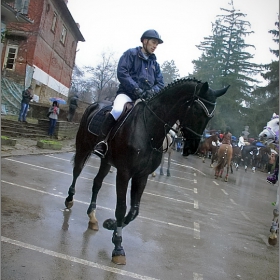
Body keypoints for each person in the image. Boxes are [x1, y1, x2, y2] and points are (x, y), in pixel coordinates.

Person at [93, 29, 165, 158]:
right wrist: (136, 88)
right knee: (117, 110)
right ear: (144, 41)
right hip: (127, 94)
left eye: (156, 44)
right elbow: (122, 72)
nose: (155, 46)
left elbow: (160, 84)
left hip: (146, 98)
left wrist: (151, 91)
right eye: (153, 42)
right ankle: (102, 142)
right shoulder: (130, 54)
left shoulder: (155, 64)